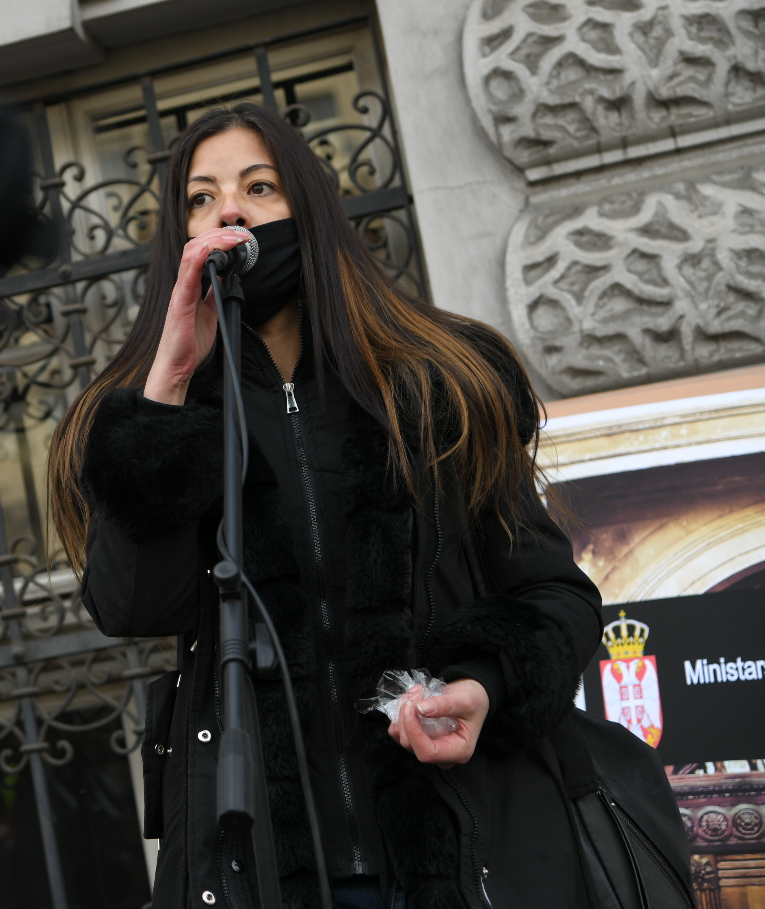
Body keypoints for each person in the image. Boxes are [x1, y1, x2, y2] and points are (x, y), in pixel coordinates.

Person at [47, 104, 601, 909]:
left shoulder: (437, 382)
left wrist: (481, 685)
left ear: (309, 208)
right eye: (200, 199)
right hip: (261, 871)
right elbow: (133, 604)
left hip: (465, 851)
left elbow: (555, 599)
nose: (228, 210)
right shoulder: (147, 418)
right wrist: (165, 393)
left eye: (258, 187)